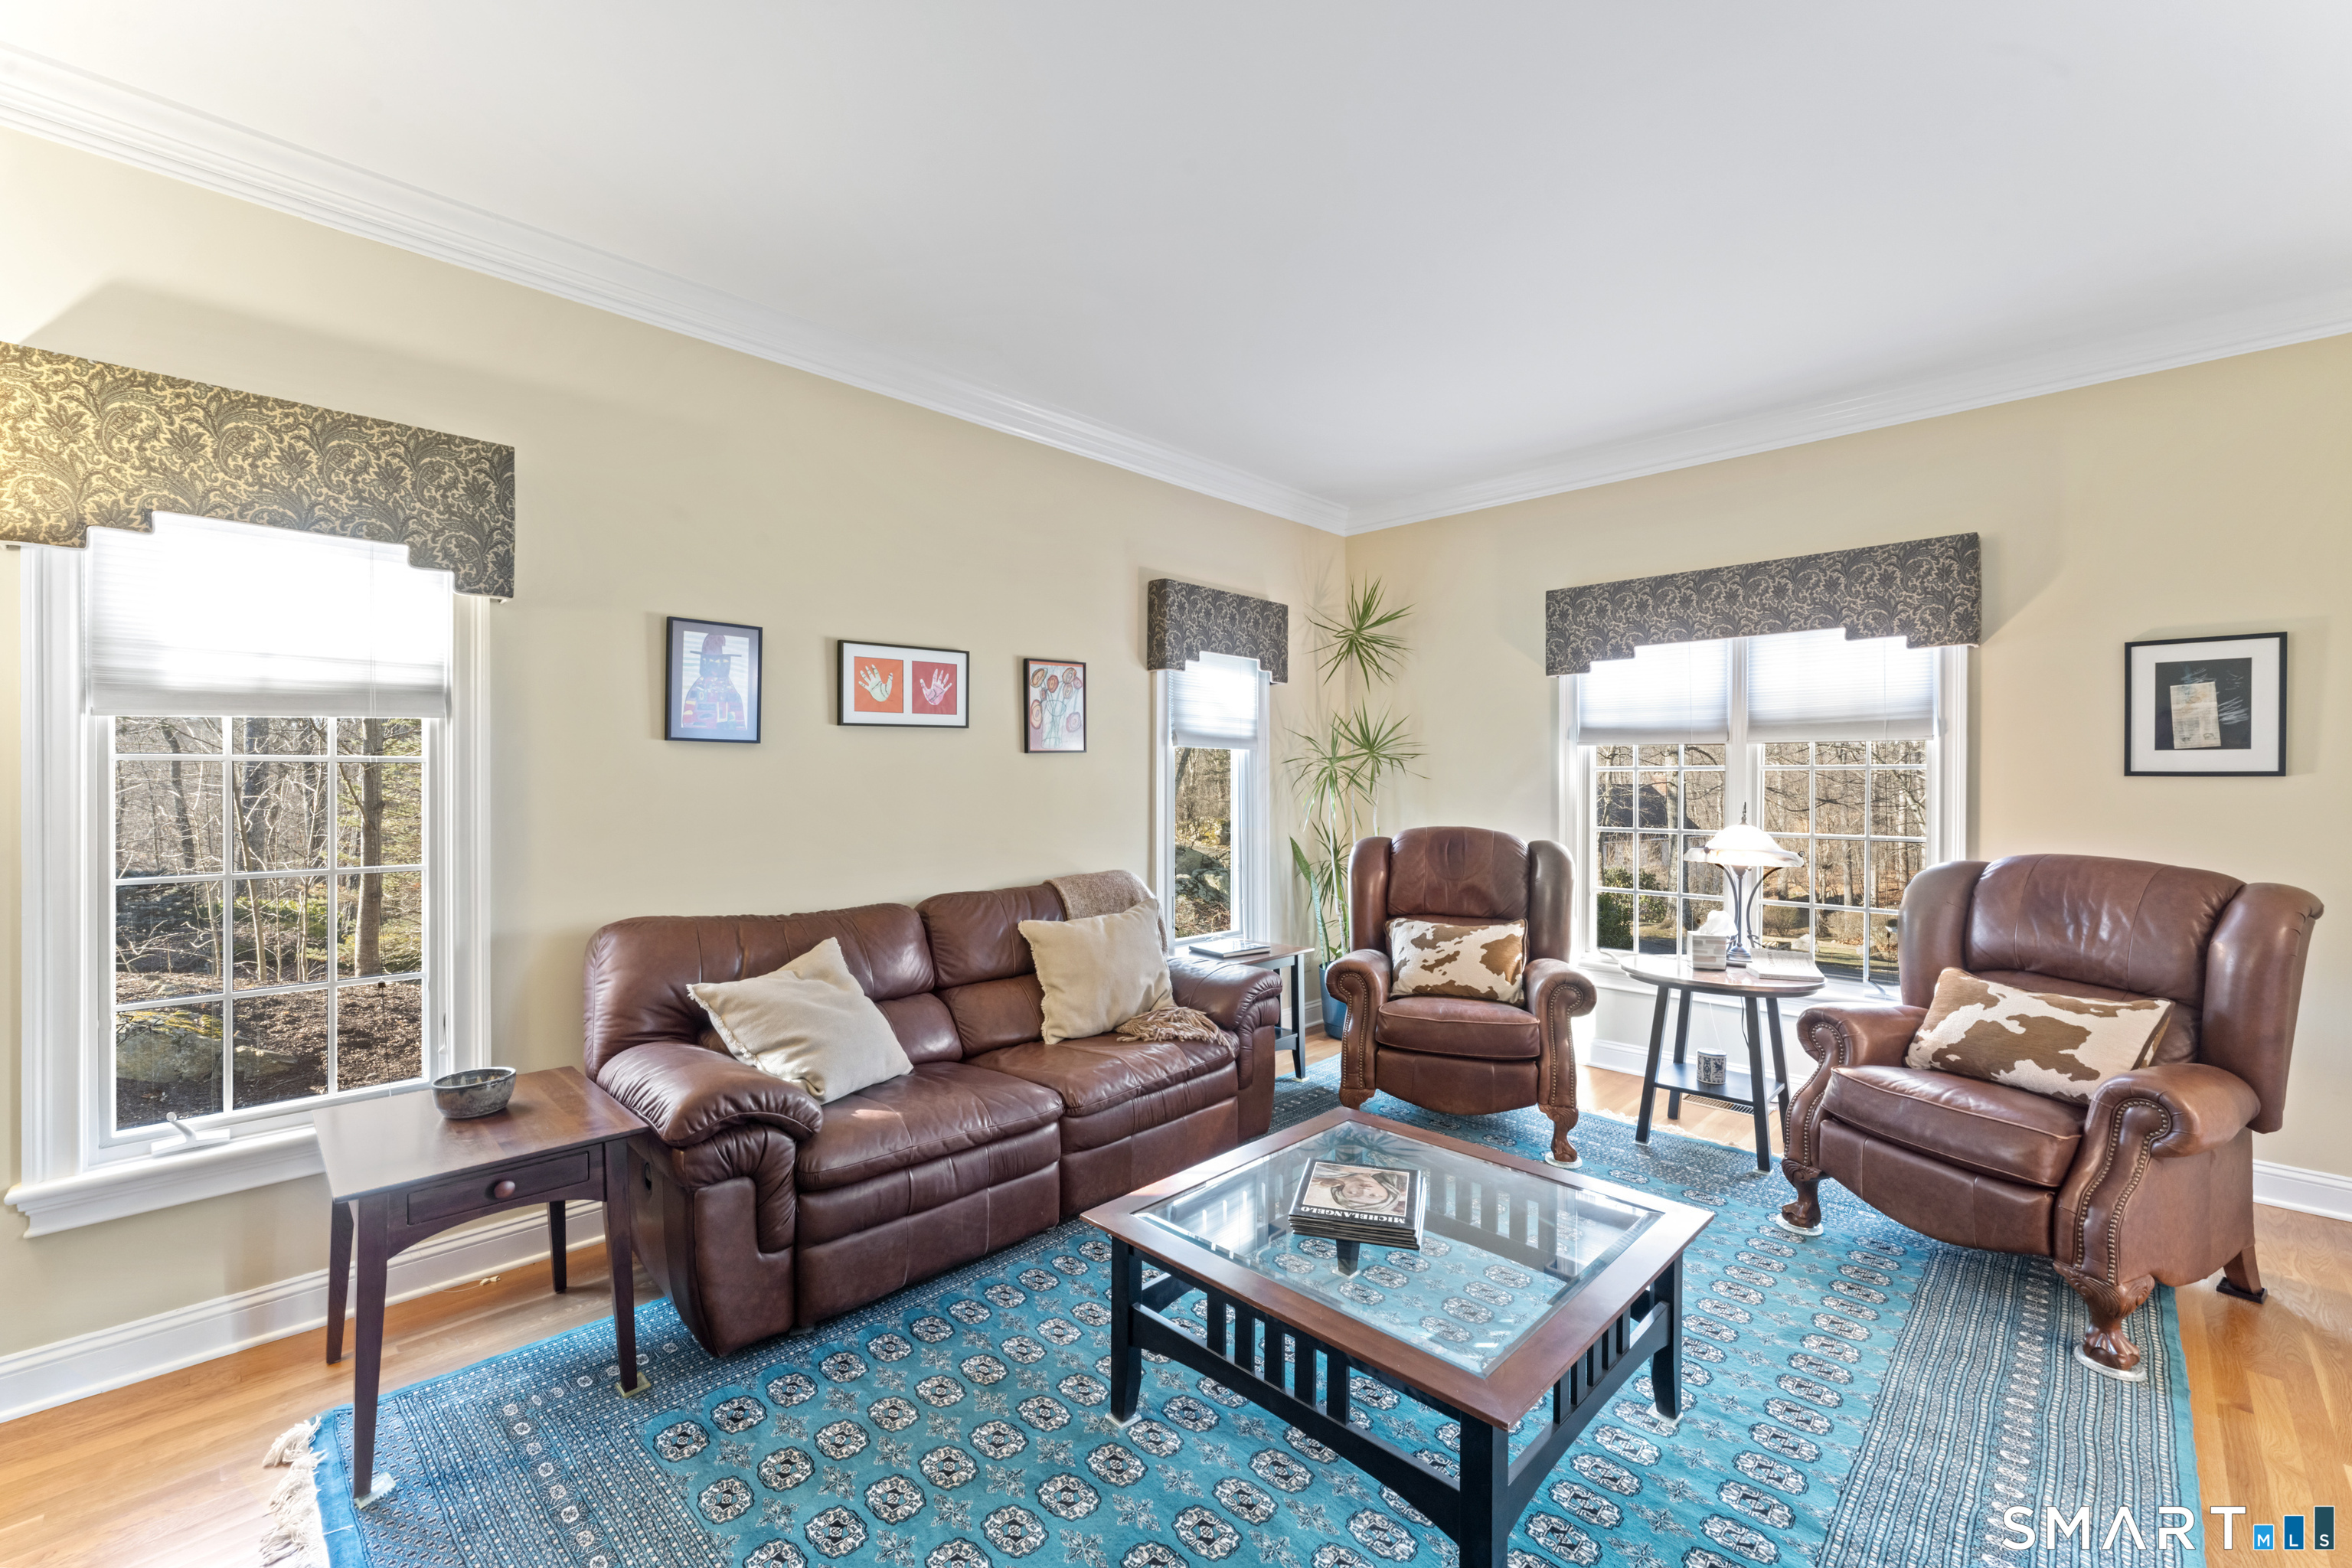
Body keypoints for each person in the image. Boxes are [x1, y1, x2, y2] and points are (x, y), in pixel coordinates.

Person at [680, 631, 747, 733]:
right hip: (699, 732)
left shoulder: (729, 687)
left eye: (719, 662)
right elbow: (688, 712)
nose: (714, 671)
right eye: (711, 662)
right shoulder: (699, 686)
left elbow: (738, 714)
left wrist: (739, 730)